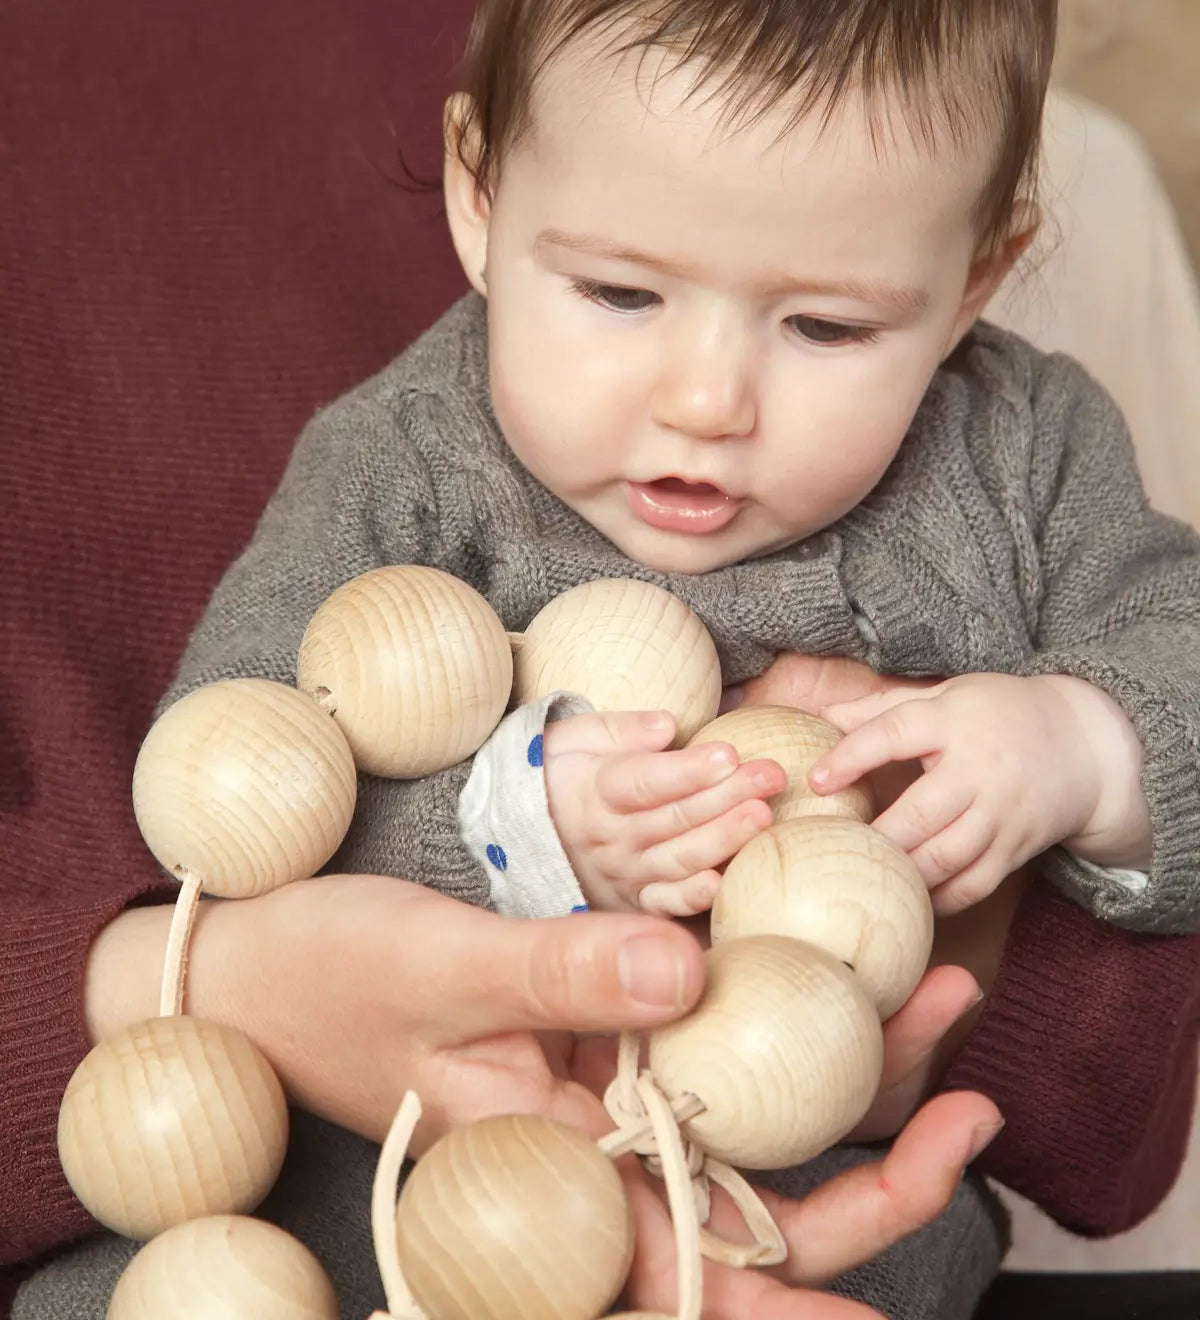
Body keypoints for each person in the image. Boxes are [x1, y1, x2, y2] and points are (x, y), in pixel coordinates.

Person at [6, 2, 1200, 1318]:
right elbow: (222, 790)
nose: (706, 402)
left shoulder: (1024, 457)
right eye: (622, 295)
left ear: (977, 274)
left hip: (776, 1176)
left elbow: (1179, 653)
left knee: (882, 1265)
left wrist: (1084, 744)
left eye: (825, 328)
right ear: (480, 197)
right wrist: (510, 825)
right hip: (380, 1143)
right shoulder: (405, 458)